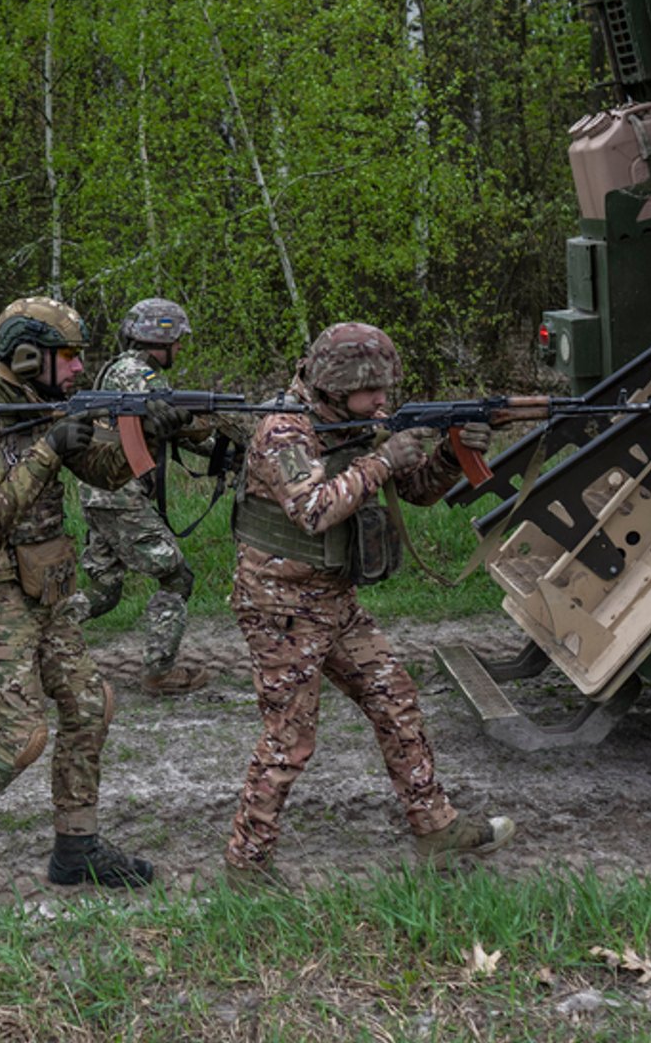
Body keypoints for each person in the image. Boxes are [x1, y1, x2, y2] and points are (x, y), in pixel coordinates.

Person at [0, 297, 186, 899]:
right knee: (20, 734)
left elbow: (106, 473)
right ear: (27, 356)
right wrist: (52, 446)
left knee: (89, 704)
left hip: (44, 584)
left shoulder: (40, 401)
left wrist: (147, 430)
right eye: (69, 357)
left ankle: (76, 848)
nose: (80, 369)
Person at [223, 322, 515, 883]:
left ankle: (436, 827)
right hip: (280, 605)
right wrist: (382, 459)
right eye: (372, 389)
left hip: (334, 597)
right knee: (290, 736)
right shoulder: (283, 430)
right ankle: (246, 864)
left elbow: (419, 491)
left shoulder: (358, 422)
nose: (383, 400)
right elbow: (312, 510)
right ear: (336, 384)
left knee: (395, 698)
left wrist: (455, 456)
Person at [69, 297, 221, 696]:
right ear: (163, 338)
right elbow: (170, 423)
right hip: (120, 496)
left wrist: (219, 449)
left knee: (104, 592)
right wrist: (217, 442)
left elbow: (162, 427)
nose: (181, 349)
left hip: (102, 494)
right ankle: (159, 671)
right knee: (176, 576)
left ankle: (34, 643)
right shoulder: (140, 376)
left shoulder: (121, 371)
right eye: (178, 341)